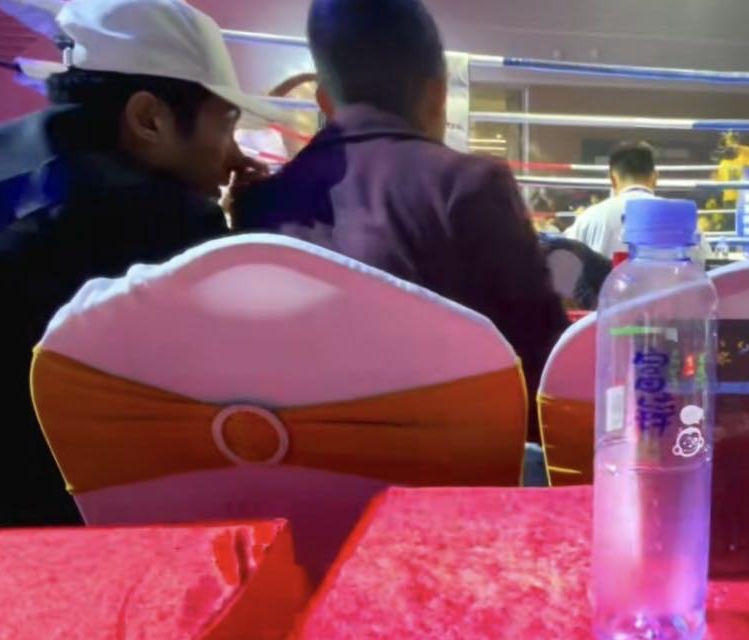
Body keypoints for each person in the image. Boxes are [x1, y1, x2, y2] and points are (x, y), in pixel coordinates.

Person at [0, 0, 278, 526]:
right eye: (226, 125)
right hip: (62, 543)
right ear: (149, 119)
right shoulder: (169, 230)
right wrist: (246, 236)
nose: (233, 156)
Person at [233, 0, 568, 440]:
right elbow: (546, 372)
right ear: (438, 95)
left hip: (288, 470)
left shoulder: (258, 203)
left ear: (324, 101)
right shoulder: (469, 186)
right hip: (452, 470)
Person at [565, 141, 660, 258]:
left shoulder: (589, 217)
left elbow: (567, 259)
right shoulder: (676, 215)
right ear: (655, 177)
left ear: (612, 178)